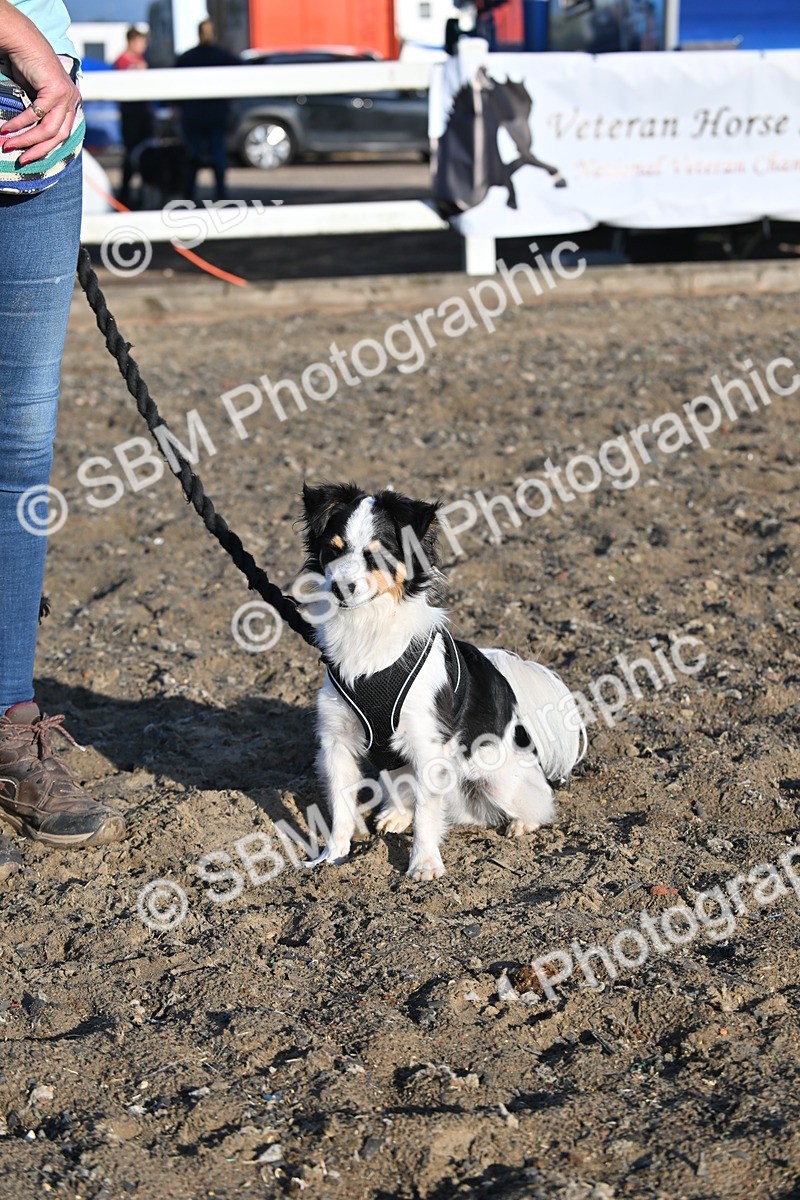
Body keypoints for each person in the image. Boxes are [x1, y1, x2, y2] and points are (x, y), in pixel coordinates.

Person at [0, 0, 126, 883]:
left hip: (37, 153)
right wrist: (24, 44)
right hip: (32, 76)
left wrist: (54, 73)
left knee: (18, 450)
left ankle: (11, 722)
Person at [175, 19, 238, 203]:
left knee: (192, 157)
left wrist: (177, 107)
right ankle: (220, 195)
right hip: (216, 114)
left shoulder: (187, 57)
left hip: (193, 114)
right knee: (218, 156)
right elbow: (243, 69)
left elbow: (173, 84)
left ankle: (189, 196)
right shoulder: (222, 56)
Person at [113, 25, 152, 207]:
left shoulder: (140, 61)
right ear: (132, 41)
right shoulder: (122, 61)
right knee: (130, 155)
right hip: (130, 115)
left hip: (143, 113)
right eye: (140, 41)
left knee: (146, 154)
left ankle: (143, 193)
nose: (143, 45)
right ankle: (125, 194)